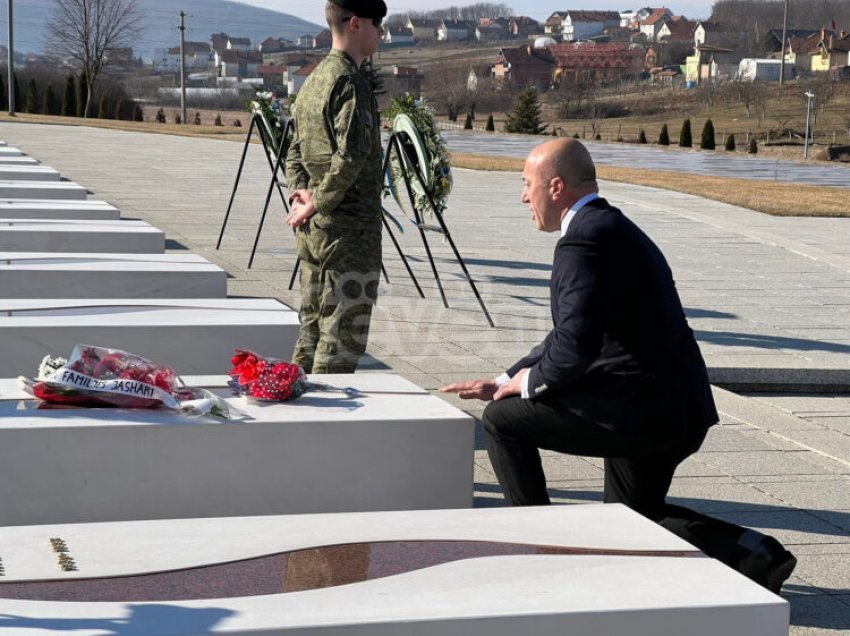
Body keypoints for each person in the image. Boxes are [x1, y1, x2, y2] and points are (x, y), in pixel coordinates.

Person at [441, 138, 797, 594]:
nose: (522, 197)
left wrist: (525, 387)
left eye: (526, 185)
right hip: (673, 407)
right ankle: (757, 554)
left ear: (555, 187)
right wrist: (506, 378)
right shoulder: (610, 226)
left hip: (641, 410)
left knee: (503, 422)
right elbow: (573, 334)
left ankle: (539, 549)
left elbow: (572, 349)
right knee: (632, 520)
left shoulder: (583, 241)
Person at [284, 0, 386, 373]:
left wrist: (301, 193)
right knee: (340, 340)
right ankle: (326, 423)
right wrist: (317, 202)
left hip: (316, 233)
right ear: (356, 23)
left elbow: (293, 150)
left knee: (311, 329)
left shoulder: (313, 80)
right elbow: (352, 155)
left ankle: (294, 408)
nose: (381, 33)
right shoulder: (350, 82)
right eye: (377, 24)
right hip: (349, 235)